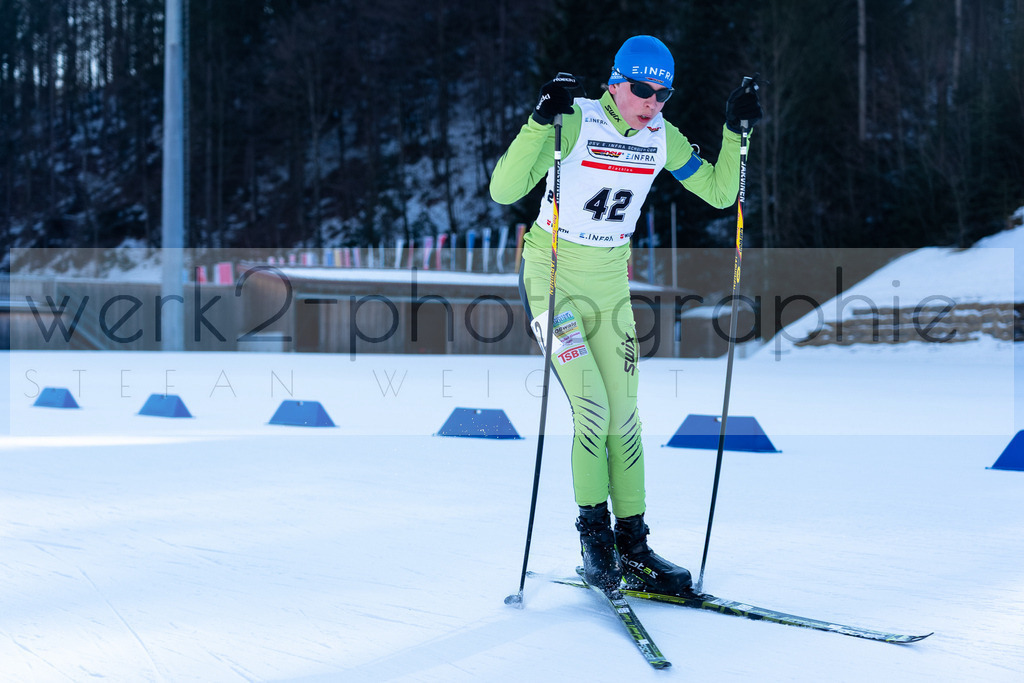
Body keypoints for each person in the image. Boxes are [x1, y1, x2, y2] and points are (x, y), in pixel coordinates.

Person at [489, 35, 761, 594]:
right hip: (553, 279)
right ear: (616, 82)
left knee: (626, 420)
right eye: (642, 89)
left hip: (611, 285)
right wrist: (540, 120)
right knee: (590, 409)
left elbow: (716, 192)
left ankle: (633, 549)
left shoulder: (661, 137)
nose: (652, 103)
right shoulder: (575, 121)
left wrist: (736, 133)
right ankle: (595, 544)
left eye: (663, 93)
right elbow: (504, 189)